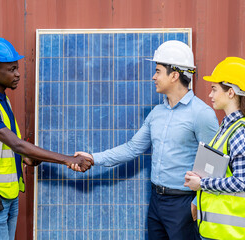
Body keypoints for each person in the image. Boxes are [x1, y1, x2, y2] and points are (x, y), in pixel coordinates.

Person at [72, 40, 219, 240]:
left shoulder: (202, 114)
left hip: (184, 204)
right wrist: (92, 157)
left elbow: (214, 164)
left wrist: (197, 203)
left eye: (158, 71)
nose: (154, 77)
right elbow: (132, 147)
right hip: (157, 202)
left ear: (174, 75)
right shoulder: (156, 113)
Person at [0, 37, 93, 240]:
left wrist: (24, 158)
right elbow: (17, 143)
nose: (18, 74)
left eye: (17, 68)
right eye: (12, 69)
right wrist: (68, 159)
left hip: (8, 193)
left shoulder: (1, 99)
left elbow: (5, 145)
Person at [184, 57, 245, 239]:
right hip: (223, 232)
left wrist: (202, 184)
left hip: (235, 234)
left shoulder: (240, 131)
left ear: (230, 92)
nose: (210, 95)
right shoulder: (228, 126)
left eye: (214, 89)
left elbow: (241, 182)